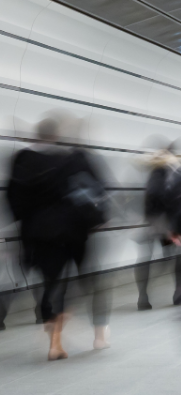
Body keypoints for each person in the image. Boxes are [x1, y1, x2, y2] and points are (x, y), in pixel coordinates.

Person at [7, 117, 110, 359]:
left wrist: (27, 225)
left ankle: (54, 341)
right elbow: (93, 189)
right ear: (57, 135)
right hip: (73, 231)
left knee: (51, 284)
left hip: (38, 233)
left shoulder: (23, 160)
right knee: (87, 281)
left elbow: (14, 199)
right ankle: (99, 335)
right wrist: (96, 219)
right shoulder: (73, 159)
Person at [136, 145, 181, 310]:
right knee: (180, 254)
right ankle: (178, 293)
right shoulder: (167, 172)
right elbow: (162, 194)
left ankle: (143, 297)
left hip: (152, 221)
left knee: (146, 257)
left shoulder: (154, 172)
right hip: (165, 221)